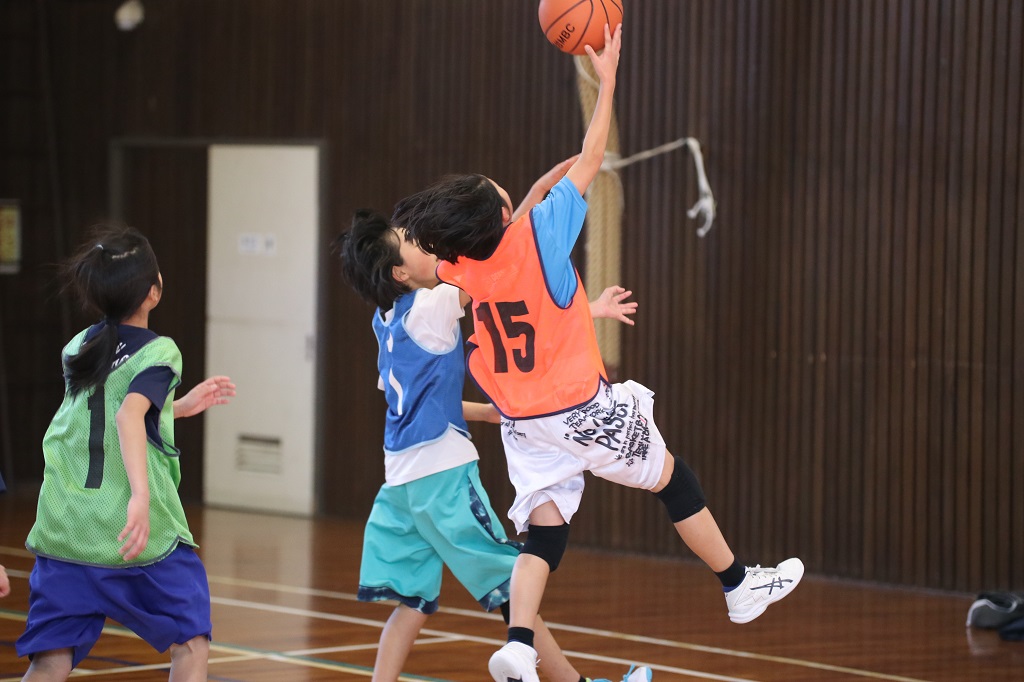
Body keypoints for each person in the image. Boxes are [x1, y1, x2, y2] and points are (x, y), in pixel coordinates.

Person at [396, 24, 804, 682]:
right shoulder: (539, 236)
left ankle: (520, 645)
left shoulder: (464, 271)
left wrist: (587, 312)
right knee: (674, 478)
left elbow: (521, 301)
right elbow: (592, 155)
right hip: (578, 407)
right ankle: (738, 586)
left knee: (546, 533)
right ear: (504, 215)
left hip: (522, 421)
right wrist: (607, 79)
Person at [335, 202, 649, 682]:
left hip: (399, 483)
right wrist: (527, 204)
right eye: (412, 242)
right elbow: (498, 265)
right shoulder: (431, 305)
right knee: (513, 590)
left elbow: (417, 399)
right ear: (400, 271)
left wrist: (482, 411)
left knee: (412, 607)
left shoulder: (385, 322)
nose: (424, 244)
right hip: (442, 479)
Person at [16, 225, 235, 682]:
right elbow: (126, 417)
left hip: (65, 526)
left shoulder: (79, 347)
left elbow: (101, 412)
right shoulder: (159, 351)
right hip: (128, 532)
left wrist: (180, 406)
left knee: (51, 660)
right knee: (191, 641)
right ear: (154, 290)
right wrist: (139, 498)